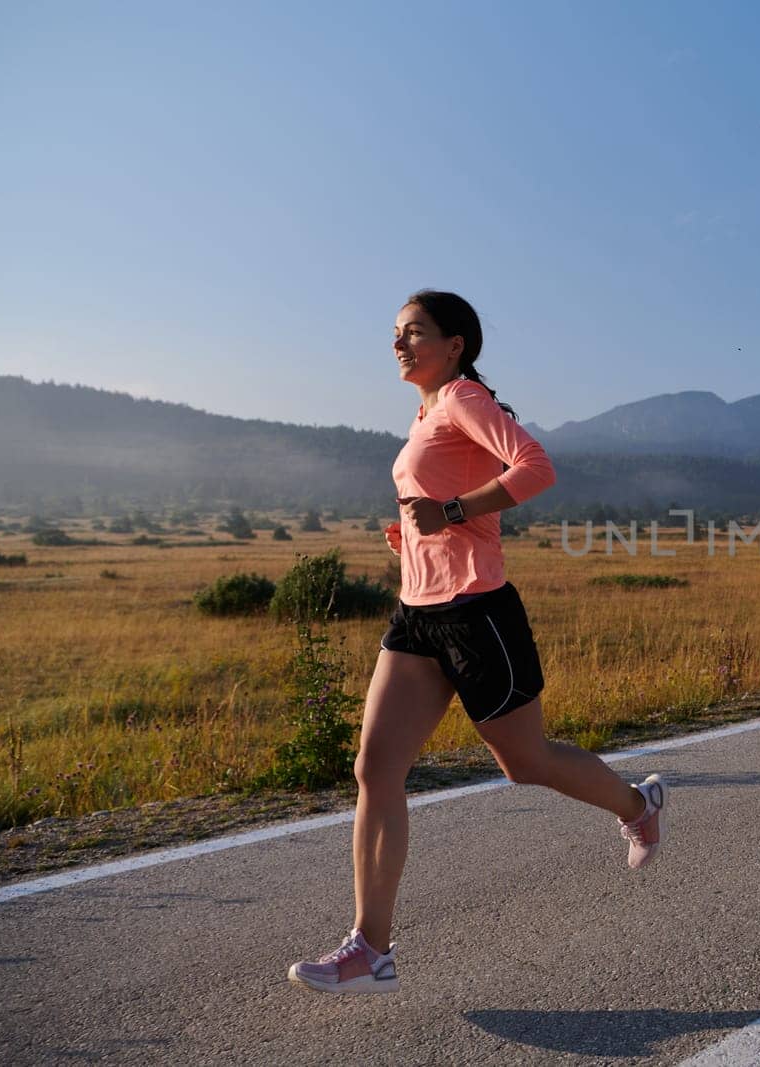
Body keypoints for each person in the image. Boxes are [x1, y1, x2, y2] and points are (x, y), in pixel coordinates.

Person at [289, 290, 667, 995]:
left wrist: (453, 511)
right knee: (374, 768)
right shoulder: (425, 412)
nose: (399, 344)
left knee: (526, 762)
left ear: (456, 343)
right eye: (395, 334)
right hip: (416, 614)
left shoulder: (461, 397)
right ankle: (370, 948)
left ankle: (638, 807)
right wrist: (413, 535)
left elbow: (535, 466)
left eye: (415, 333)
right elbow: (436, 506)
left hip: (476, 610)